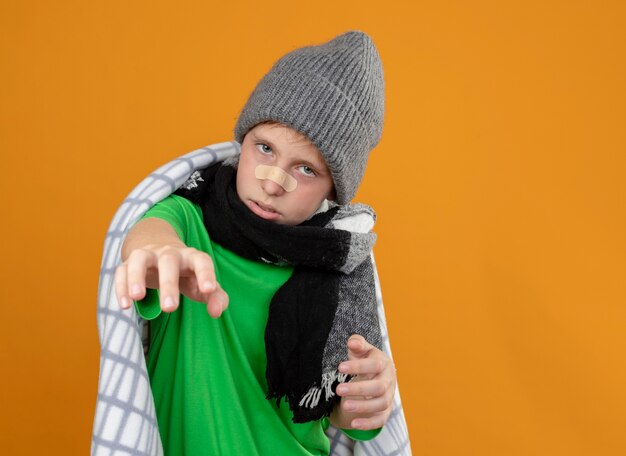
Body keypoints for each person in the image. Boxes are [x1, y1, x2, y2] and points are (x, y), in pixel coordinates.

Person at [114, 30, 397, 455]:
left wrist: (367, 397)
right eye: (264, 148)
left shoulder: (339, 264)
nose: (273, 182)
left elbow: (338, 414)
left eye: (305, 170)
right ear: (242, 142)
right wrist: (159, 252)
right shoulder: (190, 223)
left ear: (332, 191)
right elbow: (149, 235)